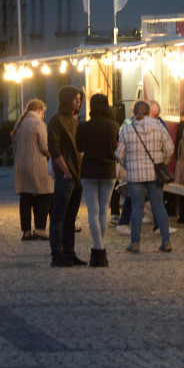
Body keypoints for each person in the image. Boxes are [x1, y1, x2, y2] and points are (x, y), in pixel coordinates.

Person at [115, 100, 173, 254]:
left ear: (134, 112)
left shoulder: (127, 129)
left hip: (135, 175)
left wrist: (128, 166)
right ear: (148, 112)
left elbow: (119, 154)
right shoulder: (158, 126)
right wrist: (162, 162)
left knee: (137, 207)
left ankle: (135, 243)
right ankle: (166, 241)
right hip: (155, 173)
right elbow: (170, 148)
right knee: (158, 205)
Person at [75, 93, 119, 267]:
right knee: (103, 211)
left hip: (89, 171)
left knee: (93, 210)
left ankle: (98, 248)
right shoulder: (114, 126)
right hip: (108, 171)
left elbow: (79, 146)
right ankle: (101, 249)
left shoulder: (84, 127)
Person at [47, 85, 85, 267]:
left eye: (80, 99)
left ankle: (69, 252)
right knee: (59, 216)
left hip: (77, 175)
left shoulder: (74, 120)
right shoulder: (56, 120)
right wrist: (66, 170)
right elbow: (54, 148)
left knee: (71, 217)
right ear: (66, 99)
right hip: (66, 175)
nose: (78, 102)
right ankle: (57, 254)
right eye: (75, 98)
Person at [11, 99, 52, 242]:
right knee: (46, 193)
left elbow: (15, 146)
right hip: (36, 165)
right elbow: (45, 147)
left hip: (21, 165)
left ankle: (26, 232)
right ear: (40, 111)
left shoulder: (19, 124)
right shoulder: (38, 124)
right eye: (43, 113)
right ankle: (40, 228)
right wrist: (52, 154)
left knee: (26, 197)